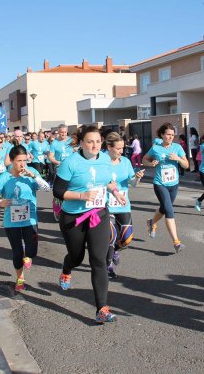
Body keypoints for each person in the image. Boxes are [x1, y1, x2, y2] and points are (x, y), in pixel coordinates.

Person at [53, 125, 126, 323]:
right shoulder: (70, 162)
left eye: (98, 141)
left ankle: (101, 308)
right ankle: (67, 269)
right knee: (76, 257)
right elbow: (58, 191)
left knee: (99, 260)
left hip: (99, 214)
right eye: (90, 141)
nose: (95, 145)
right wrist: (81, 195)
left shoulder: (104, 159)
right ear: (81, 142)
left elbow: (106, 182)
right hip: (73, 218)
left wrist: (116, 192)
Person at [0, 145, 50, 291]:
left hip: (30, 219)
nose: (23, 164)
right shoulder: (4, 177)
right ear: (11, 161)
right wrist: (0, 203)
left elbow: (47, 189)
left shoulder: (32, 172)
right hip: (11, 221)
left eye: (25, 160)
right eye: (19, 161)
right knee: (17, 252)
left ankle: (27, 255)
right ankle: (20, 278)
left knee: (32, 252)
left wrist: (34, 177)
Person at [143, 123, 189, 252]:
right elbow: (144, 159)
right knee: (169, 211)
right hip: (160, 183)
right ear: (162, 134)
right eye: (168, 134)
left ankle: (152, 222)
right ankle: (176, 242)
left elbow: (186, 165)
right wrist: (151, 163)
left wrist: (178, 159)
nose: (170, 137)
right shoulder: (156, 148)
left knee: (164, 209)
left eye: (172, 135)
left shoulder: (177, 147)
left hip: (173, 184)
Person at [105, 132, 144, 278]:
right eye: (118, 148)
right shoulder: (101, 161)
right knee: (111, 235)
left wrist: (137, 178)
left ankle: (115, 250)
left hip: (123, 205)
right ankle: (107, 265)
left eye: (123, 148)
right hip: (106, 205)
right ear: (109, 147)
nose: (122, 151)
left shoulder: (126, 162)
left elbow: (132, 183)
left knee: (126, 239)